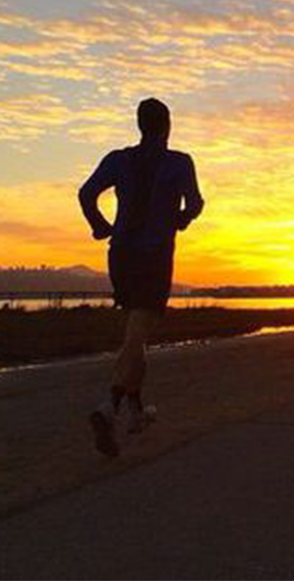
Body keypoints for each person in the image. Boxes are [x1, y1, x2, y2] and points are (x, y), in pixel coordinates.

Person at [78, 98, 204, 457]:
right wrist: (182, 218)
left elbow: (86, 194)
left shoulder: (119, 159)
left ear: (140, 125)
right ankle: (109, 407)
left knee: (137, 333)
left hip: (120, 255)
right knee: (137, 333)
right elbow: (195, 203)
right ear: (167, 126)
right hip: (154, 256)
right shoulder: (179, 162)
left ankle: (136, 412)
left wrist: (100, 225)